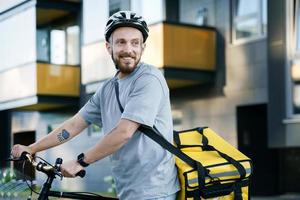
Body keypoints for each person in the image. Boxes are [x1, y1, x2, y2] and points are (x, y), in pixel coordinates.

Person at [11, 10, 180, 200]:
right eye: (121, 42)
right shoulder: (108, 88)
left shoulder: (148, 79)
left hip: (155, 191)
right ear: (109, 47)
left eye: (135, 42)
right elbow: (74, 124)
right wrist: (32, 149)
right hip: (128, 190)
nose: (129, 49)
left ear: (143, 47)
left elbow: (124, 133)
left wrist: (80, 161)